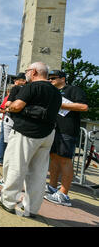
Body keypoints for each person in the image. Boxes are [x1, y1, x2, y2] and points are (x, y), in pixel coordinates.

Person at [0, 62, 62, 218]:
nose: (26, 74)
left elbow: (16, 106)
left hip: (27, 132)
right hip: (47, 134)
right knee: (38, 173)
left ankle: (8, 201)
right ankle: (31, 208)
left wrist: (8, 108)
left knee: (15, 166)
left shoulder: (32, 87)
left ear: (34, 72)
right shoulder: (57, 92)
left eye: (27, 71)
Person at [44, 70, 88, 207]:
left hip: (68, 131)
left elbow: (84, 106)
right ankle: (52, 186)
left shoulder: (73, 90)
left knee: (65, 160)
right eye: (49, 78)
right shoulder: (52, 92)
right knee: (54, 157)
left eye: (53, 78)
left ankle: (64, 194)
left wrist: (61, 105)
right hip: (54, 129)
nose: (50, 80)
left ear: (62, 79)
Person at [0, 73, 27, 166]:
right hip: (17, 118)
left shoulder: (16, 88)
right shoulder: (26, 90)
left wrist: (7, 109)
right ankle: (3, 159)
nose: (15, 81)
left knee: (5, 140)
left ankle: (1, 159)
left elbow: (7, 104)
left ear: (23, 81)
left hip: (10, 117)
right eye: (15, 80)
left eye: (17, 79)